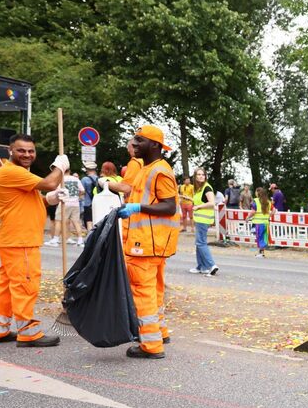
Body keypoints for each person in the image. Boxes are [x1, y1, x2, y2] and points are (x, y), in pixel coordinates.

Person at [0, 134, 69, 347]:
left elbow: (30, 200)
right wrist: (60, 166)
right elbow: (49, 183)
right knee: (25, 286)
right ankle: (28, 331)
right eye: (21, 150)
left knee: (6, 286)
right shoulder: (12, 171)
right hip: (20, 241)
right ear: (10, 151)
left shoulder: (15, 173)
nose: (27, 154)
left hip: (12, 239)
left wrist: (49, 200)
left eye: (31, 151)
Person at [105, 126, 181, 359]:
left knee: (142, 291)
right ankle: (158, 332)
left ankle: (150, 345)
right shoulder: (147, 169)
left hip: (146, 245)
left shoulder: (159, 171)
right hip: (151, 243)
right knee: (154, 290)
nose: (134, 144)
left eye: (140, 140)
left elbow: (169, 206)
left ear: (155, 145)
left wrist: (137, 208)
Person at [189, 167, 219, 275]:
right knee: (199, 243)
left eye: (203, 174)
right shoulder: (199, 189)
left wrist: (198, 207)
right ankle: (201, 267)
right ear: (195, 176)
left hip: (203, 220)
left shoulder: (207, 188)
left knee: (201, 243)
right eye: (199, 174)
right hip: (200, 219)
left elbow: (212, 202)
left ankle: (211, 265)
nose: (201, 176)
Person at [59, 170, 85, 246]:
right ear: (69, 171)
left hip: (65, 202)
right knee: (76, 222)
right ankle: (80, 240)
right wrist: (78, 196)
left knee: (64, 222)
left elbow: (58, 190)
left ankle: (65, 238)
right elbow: (83, 191)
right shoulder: (76, 179)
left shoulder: (61, 179)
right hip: (75, 203)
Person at [249, 186, 271, 257]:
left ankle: (261, 253)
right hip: (266, 223)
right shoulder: (268, 201)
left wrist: (247, 217)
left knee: (259, 238)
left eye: (255, 191)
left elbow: (253, 212)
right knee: (264, 238)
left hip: (258, 223)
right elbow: (274, 210)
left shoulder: (255, 201)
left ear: (257, 193)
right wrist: (269, 215)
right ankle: (262, 252)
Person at [80, 162, 98, 231]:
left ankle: (90, 238)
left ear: (87, 169)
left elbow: (81, 192)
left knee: (88, 222)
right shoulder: (99, 179)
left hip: (87, 204)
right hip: (97, 203)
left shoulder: (84, 179)